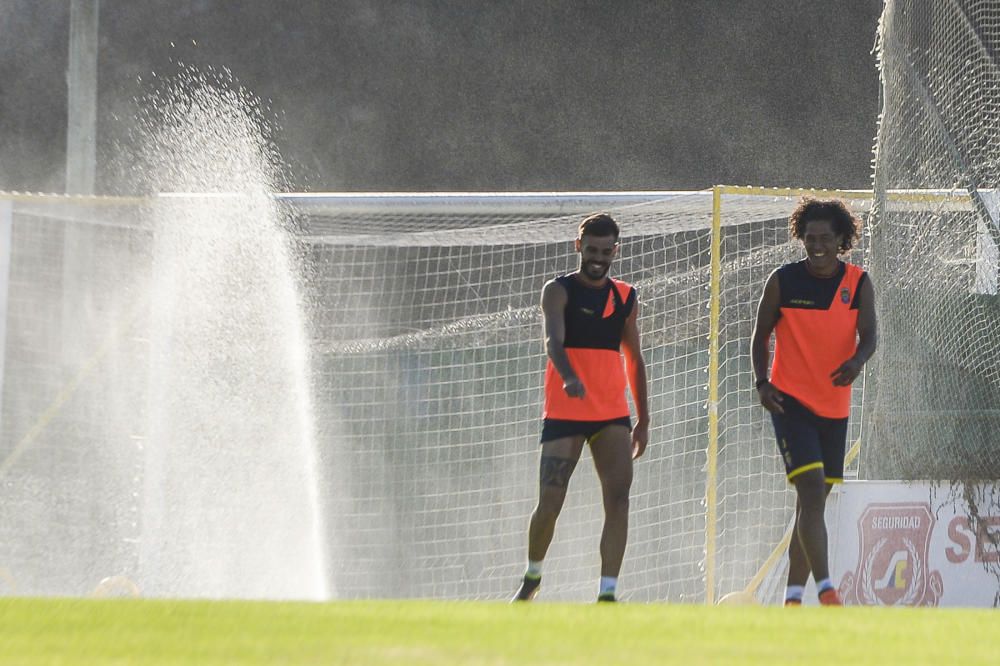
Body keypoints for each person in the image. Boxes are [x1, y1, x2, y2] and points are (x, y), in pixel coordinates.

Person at [512, 213, 649, 603]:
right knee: (550, 501)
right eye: (591, 249)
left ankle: (607, 593)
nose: (598, 258)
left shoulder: (626, 296)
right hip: (565, 412)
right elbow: (553, 342)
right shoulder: (558, 291)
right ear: (579, 246)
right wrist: (569, 375)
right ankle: (533, 577)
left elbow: (635, 359)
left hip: (611, 414)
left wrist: (643, 419)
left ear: (615, 251)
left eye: (606, 252)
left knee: (619, 498)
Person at [750, 197, 877, 606]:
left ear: (842, 239)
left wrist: (857, 361)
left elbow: (870, 336)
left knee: (813, 506)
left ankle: (791, 599)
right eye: (810, 238)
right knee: (808, 489)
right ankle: (826, 589)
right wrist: (762, 382)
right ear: (801, 238)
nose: (817, 245)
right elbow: (760, 335)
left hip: (835, 408)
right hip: (790, 403)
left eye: (825, 238)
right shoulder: (783, 280)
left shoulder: (858, 282)